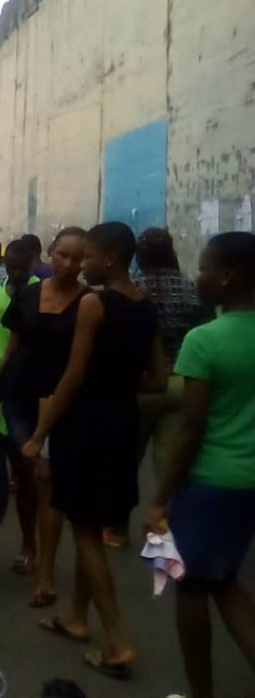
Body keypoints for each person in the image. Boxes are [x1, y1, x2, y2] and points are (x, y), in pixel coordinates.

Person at [23, 222, 166, 681]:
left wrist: (40, 433)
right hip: (122, 424)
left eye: (89, 258)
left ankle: (119, 640)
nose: (83, 266)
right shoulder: (146, 307)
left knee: (84, 533)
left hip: (85, 426)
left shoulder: (93, 303)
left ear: (111, 259)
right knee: (93, 521)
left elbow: (72, 378)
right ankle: (77, 617)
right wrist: (119, 383)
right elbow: (158, 380)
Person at [146, 231, 255, 698]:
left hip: (207, 483)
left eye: (206, 268)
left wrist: (160, 496)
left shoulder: (203, 341)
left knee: (188, 586)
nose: (199, 277)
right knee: (224, 580)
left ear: (228, 277)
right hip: (246, 483)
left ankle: (200, 694)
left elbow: (190, 429)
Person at [0, 228, 87, 608]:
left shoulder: (88, 303)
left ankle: (45, 572)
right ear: (49, 254)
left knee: (45, 477)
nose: (68, 264)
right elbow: (11, 347)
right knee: (25, 477)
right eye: (62, 255)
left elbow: (80, 365)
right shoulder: (29, 295)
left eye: (77, 258)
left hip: (58, 401)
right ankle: (29, 543)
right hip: (17, 400)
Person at [0, 239, 40, 578]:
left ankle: (30, 544)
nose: (15, 271)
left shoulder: (40, 291)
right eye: (10, 265)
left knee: (26, 474)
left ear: (32, 263)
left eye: (21, 266)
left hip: (25, 391)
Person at [134, 227, 210, 477]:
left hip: (140, 383)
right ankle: (163, 512)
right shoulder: (191, 289)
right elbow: (205, 332)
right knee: (170, 464)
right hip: (182, 381)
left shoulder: (132, 289)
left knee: (124, 461)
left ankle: (113, 514)